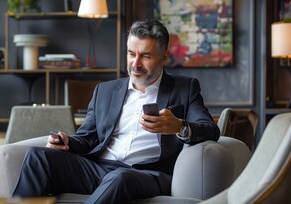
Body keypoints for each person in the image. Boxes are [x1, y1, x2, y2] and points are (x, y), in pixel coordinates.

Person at [12, 19, 220, 203]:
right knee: (38, 157)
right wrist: (67, 142)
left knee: (120, 177)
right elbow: (87, 137)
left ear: (164, 57)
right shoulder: (105, 90)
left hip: (147, 173)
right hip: (99, 168)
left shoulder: (185, 88)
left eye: (145, 56)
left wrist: (179, 127)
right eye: (131, 54)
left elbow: (210, 130)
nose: (135, 64)